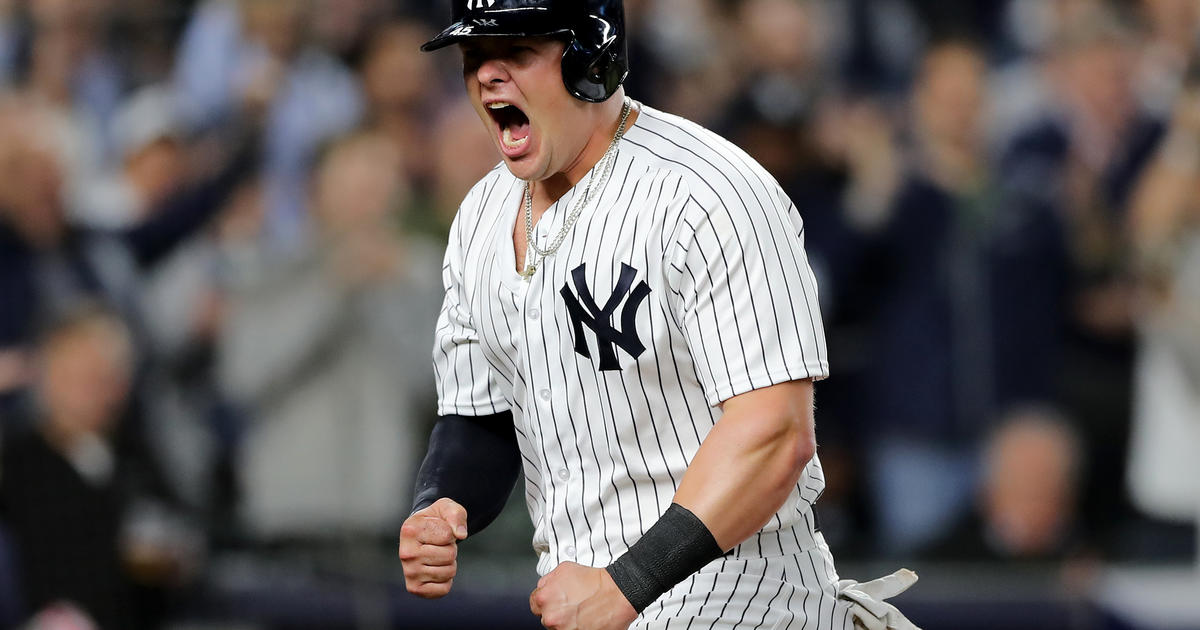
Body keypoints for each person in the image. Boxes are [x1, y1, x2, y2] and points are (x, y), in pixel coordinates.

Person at [398, 2, 920, 629]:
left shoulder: (710, 192)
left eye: (518, 52)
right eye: (475, 57)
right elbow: (479, 419)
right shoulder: (481, 217)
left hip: (744, 604)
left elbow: (775, 433)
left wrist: (627, 584)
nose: (487, 75)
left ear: (592, 58)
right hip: (585, 603)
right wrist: (441, 503)